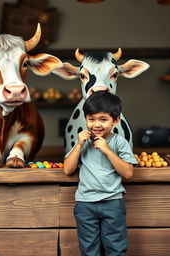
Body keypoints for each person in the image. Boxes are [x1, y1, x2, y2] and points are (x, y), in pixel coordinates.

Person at [63, 90, 137, 256]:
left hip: (113, 203)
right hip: (85, 204)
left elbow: (129, 173)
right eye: (91, 119)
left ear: (115, 121)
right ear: (86, 119)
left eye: (103, 119)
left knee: (116, 249)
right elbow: (68, 169)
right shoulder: (82, 142)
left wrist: (107, 150)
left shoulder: (119, 142)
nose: (96, 124)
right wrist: (79, 144)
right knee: (89, 250)